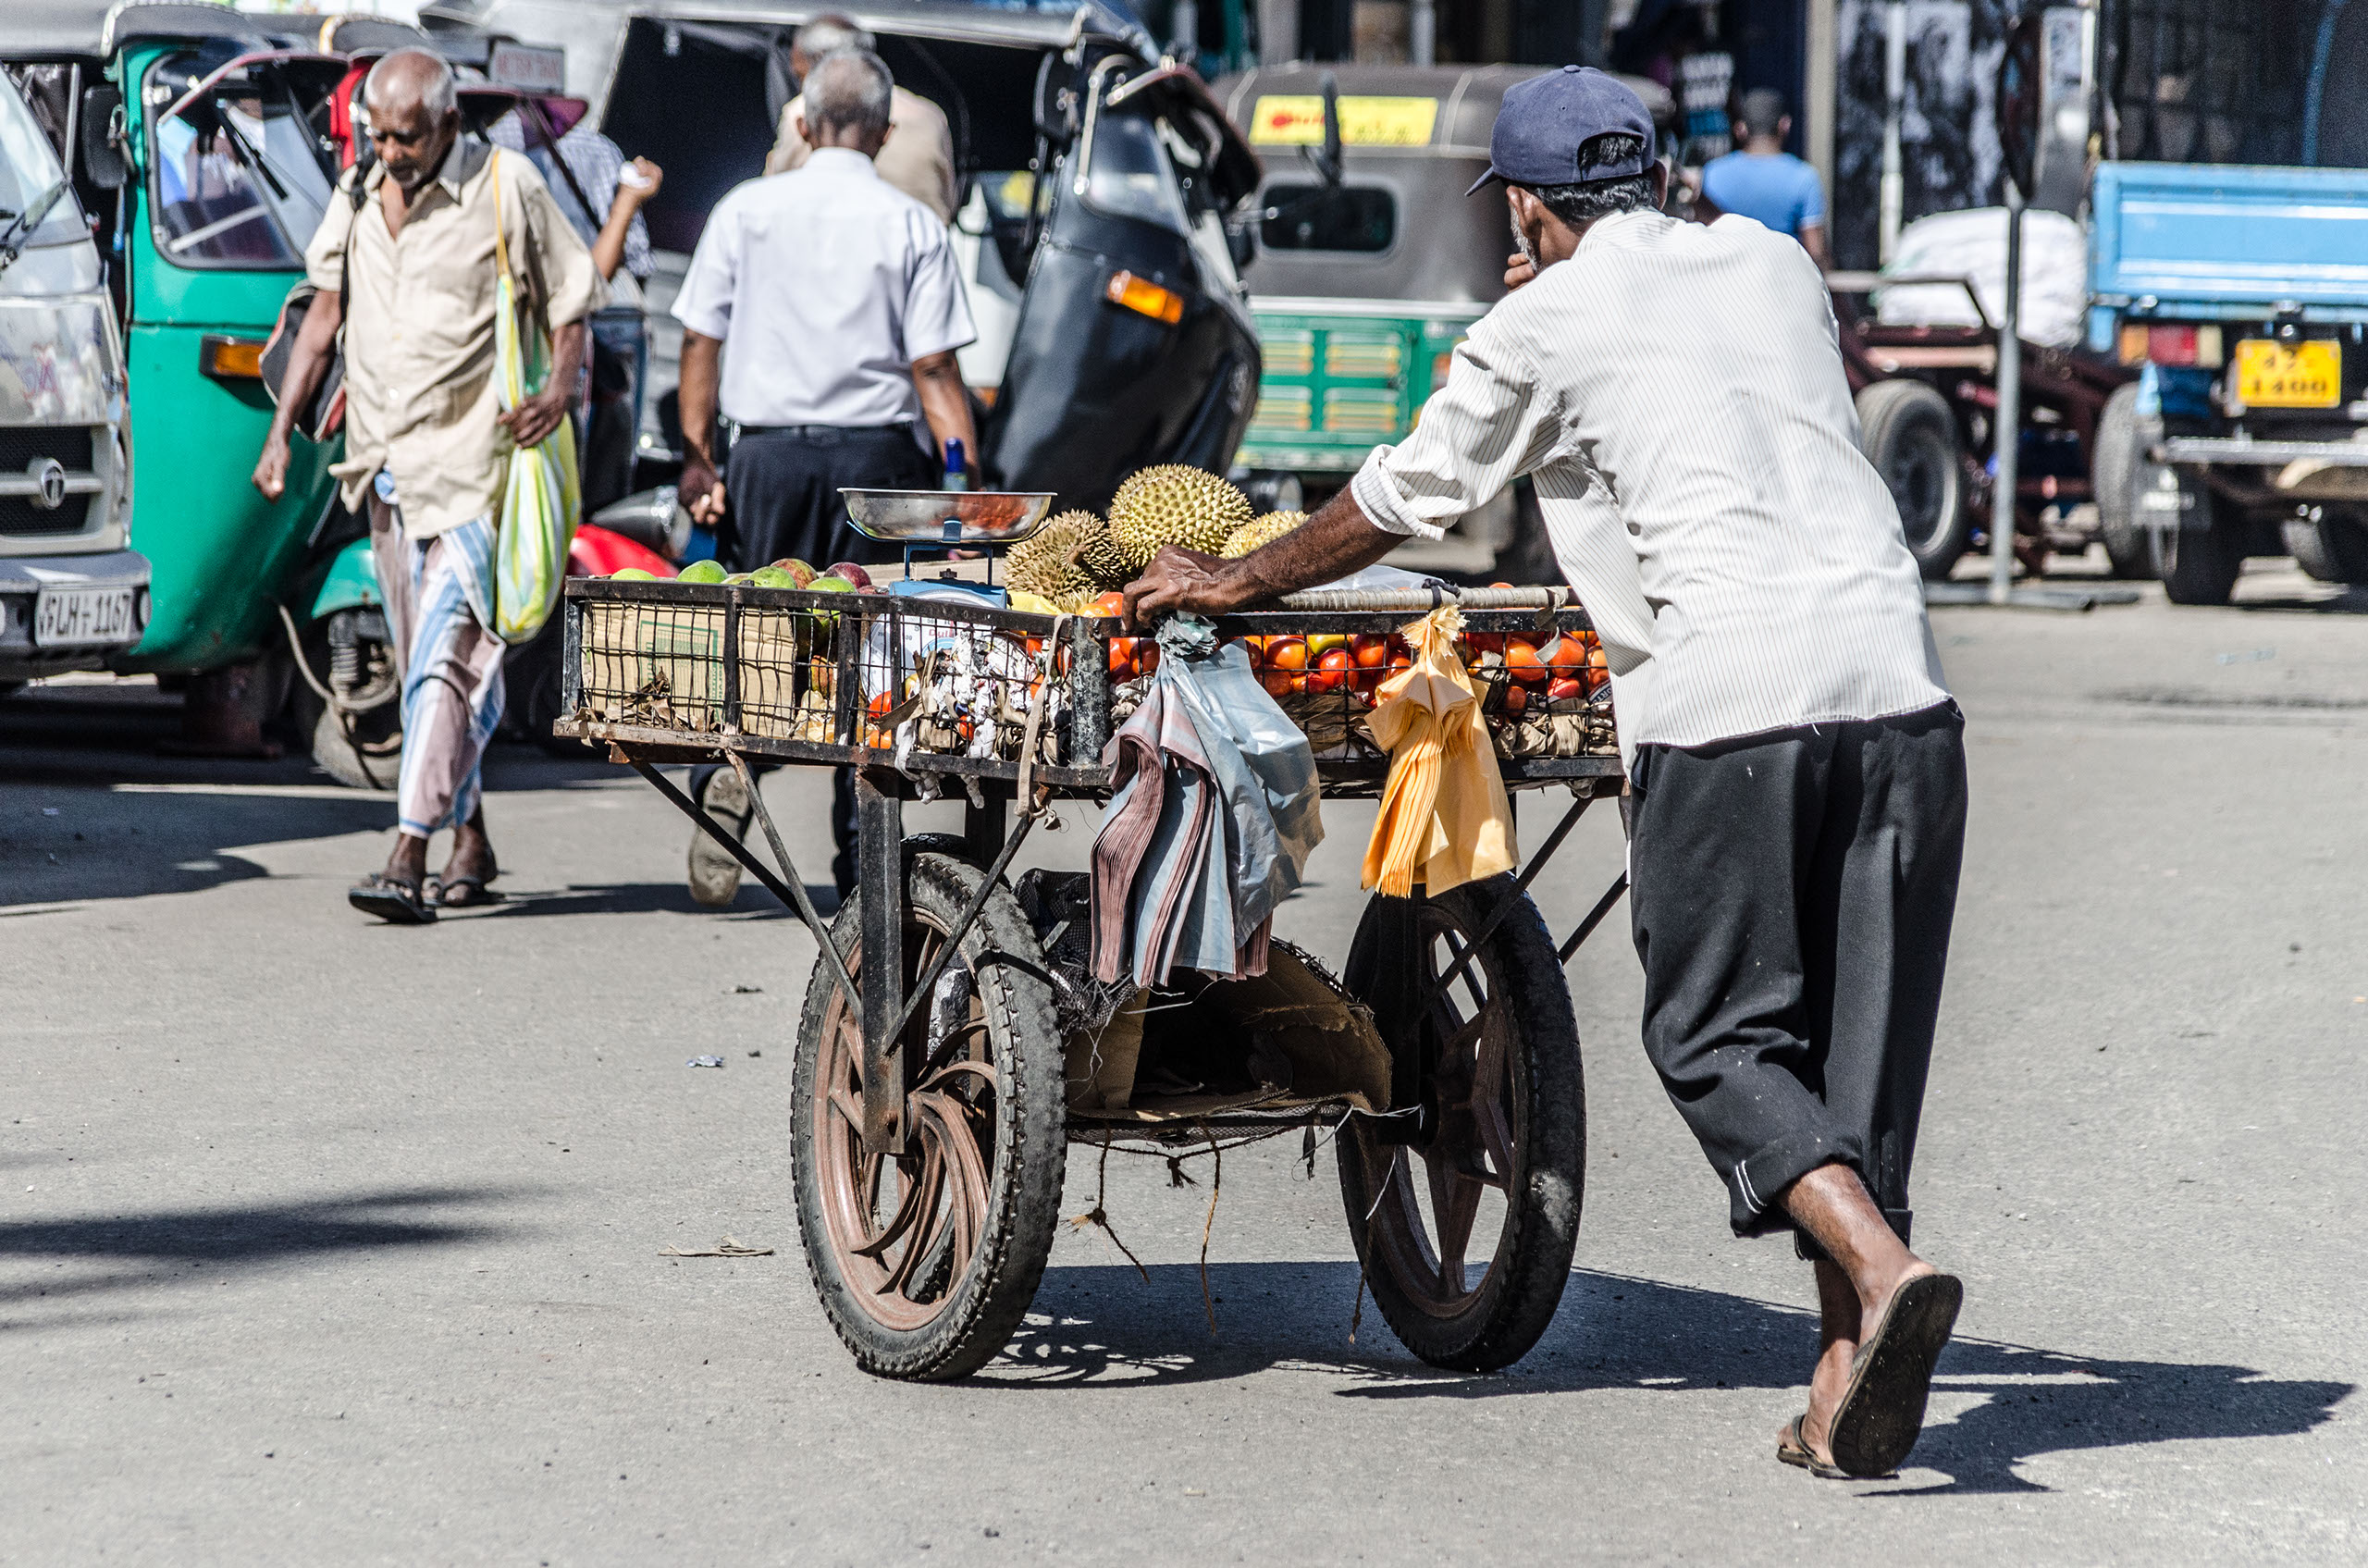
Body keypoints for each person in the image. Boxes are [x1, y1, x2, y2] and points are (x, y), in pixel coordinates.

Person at [1128, 67, 1967, 1480]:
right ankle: (1845, 1377)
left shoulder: (1542, 321)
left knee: (1717, 1039)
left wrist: (1234, 575)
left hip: (1730, 704)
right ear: (1656, 175)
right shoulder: (1776, 264)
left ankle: (1883, 1274)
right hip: (1904, 695)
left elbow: (1405, 494)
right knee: (1854, 1065)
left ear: (1525, 206)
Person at [254, 48, 603, 923]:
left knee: (448, 661)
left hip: (476, 469)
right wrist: (278, 435)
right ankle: (470, 838)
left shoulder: (506, 186)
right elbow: (323, 314)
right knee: (427, 671)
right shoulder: (358, 191)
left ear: (447, 124)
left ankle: (407, 852)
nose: (390, 153)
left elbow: (572, 296)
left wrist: (560, 388)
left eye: (405, 138)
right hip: (386, 470)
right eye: (377, 135)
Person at [672, 47, 978, 906]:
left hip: (765, 459)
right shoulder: (912, 224)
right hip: (876, 466)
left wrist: (700, 459)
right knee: (864, 658)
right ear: (883, 132)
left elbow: (699, 340)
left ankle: (732, 769)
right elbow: (935, 370)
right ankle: (859, 861)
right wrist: (959, 480)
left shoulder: (744, 209)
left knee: (762, 641)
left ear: (804, 125)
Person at [487, 108, 663, 508]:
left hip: (556, 356)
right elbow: (600, 278)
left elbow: (585, 286)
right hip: (554, 355)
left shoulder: (486, 152)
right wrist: (625, 204)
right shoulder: (591, 150)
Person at [764, 15, 958, 225]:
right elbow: (948, 203)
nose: (800, 88)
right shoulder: (928, 115)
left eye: (800, 77)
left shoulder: (802, 113)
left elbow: (773, 196)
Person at [1694, 88, 1827, 265]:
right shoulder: (1804, 177)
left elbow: (1701, 240)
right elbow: (1815, 253)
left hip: (1725, 277)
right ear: (1785, 125)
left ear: (1740, 129)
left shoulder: (1712, 172)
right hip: (1781, 277)